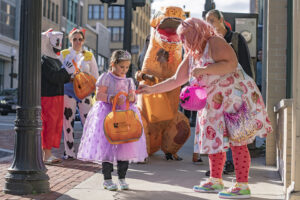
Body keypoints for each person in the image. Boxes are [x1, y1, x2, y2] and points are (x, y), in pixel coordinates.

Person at [137, 18, 272, 199]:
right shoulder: (193, 54)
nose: (183, 41)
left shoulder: (215, 42)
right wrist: (151, 90)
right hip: (212, 104)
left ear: (195, 33)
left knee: (237, 143)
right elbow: (177, 80)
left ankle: (242, 185)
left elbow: (231, 63)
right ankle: (215, 180)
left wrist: (204, 71)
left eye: (185, 37)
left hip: (234, 100)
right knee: (213, 141)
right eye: (181, 38)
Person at [77, 50, 148, 191]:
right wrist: (111, 98)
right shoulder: (106, 78)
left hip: (124, 116)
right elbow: (99, 95)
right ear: (112, 64)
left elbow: (133, 98)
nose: (125, 70)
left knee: (124, 147)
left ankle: (122, 177)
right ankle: (107, 179)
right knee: (107, 147)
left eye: (127, 67)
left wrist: (131, 98)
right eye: (122, 67)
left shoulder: (128, 81)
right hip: (107, 114)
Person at [205, 9, 255, 175]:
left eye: (212, 20)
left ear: (221, 20)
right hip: (217, 94)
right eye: (207, 21)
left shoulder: (236, 38)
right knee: (217, 130)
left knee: (235, 130)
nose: (210, 24)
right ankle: (217, 169)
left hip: (236, 92)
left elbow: (246, 65)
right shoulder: (210, 42)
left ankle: (232, 165)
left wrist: (248, 91)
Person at [60, 28, 100, 160]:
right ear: (70, 40)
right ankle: (69, 152)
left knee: (88, 121)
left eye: (80, 39)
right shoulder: (64, 54)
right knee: (67, 121)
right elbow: (59, 73)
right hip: (68, 89)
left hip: (84, 90)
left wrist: (96, 93)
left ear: (83, 41)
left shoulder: (89, 55)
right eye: (74, 39)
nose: (77, 42)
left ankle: (88, 151)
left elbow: (95, 76)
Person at [41, 29, 75, 164]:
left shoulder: (53, 59)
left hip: (56, 96)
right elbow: (54, 77)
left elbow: (60, 77)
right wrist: (66, 71)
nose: (58, 43)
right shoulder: (45, 60)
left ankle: (48, 153)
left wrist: (68, 75)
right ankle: (46, 154)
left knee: (55, 124)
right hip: (48, 96)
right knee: (49, 124)